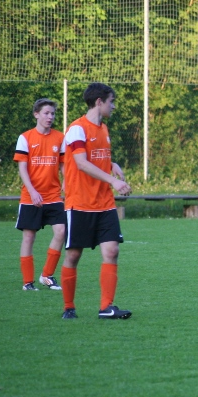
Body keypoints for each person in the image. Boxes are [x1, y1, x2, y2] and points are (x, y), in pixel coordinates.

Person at [60, 83, 133, 320]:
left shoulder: (104, 129)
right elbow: (81, 162)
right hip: (80, 203)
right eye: (111, 101)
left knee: (112, 250)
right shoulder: (77, 129)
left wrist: (112, 164)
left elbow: (96, 157)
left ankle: (106, 307)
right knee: (73, 256)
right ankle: (69, 307)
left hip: (104, 203)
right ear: (99, 102)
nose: (114, 106)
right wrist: (113, 181)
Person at [13, 98, 66, 291]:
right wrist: (33, 191)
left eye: (53, 113)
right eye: (46, 113)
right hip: (31, 197)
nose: (50, 117)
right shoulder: (25, 138)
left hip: (53, 196)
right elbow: (22, 168)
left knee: (61, 231)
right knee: (29, 237)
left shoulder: (60, 137)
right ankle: (28, 282)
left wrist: (66, 181)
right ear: (36, 114)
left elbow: (63, 164)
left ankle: (47, 276)